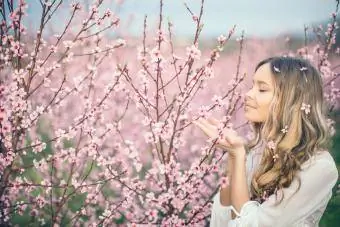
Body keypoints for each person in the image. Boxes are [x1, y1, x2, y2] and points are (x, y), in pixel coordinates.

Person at [194, 56, 339, 227]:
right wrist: (233, 157)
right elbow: (221, 221)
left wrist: (238, 154)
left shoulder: (318, 167)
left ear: (291, 102)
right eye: (252, 86)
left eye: (262, 89)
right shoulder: (259, 151)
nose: (247, 94)